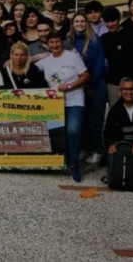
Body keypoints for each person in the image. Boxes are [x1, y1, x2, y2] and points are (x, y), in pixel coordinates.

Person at [36, 31, 90, 182]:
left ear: (62, 42)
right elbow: (29, 66)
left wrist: (71, 86)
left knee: (73, 130)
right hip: (55, 104)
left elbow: (86, 75)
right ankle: (60, 161)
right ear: (47, 45)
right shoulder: (46, 61)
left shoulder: (72, 56)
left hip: (74, 100)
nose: (55, 45)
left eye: (57, 42)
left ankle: (73, 164)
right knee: (58, 133)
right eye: (51, 42)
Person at [68, 11, 108, 165]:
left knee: (95, 120)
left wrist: (90, 84)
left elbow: (99, 65)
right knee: (81, 119)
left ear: (87, 23)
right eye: (76, 21)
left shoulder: (94, 40)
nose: (79, 24)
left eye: (82, 21)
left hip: (95, 85)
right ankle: (84, 147)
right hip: (77, 86)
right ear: (73, 24)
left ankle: (97, 149)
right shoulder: (68, 40)